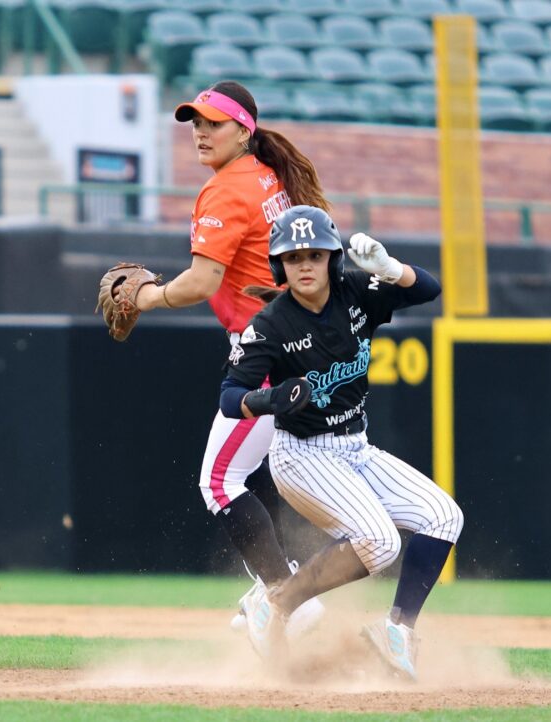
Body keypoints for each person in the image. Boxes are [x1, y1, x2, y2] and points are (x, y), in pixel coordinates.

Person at [220, 205, 464, 680]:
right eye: (293, 258)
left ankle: (397, 630)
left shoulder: (356, 292)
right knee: (379, 541)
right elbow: (230, 397)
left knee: (444, 517)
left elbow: (430, 289)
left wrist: (392, 271)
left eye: (315, 254)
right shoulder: (270, 324)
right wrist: (269, 399)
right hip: (301, 455)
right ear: (279, 266)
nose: (305, 265)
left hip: (356, 447)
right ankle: (277, 602)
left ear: (333, 258)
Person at [130, 81, 328, 631]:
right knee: (265, 476)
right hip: (301, 345)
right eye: (194, 122)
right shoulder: (269, 178)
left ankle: (291, 597)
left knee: (220, 483)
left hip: (267, 354)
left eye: (213, 122)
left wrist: (148, 297)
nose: (200, 131)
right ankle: (283, 592)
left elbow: (201, 282)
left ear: (244, 130)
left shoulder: (226, 189)